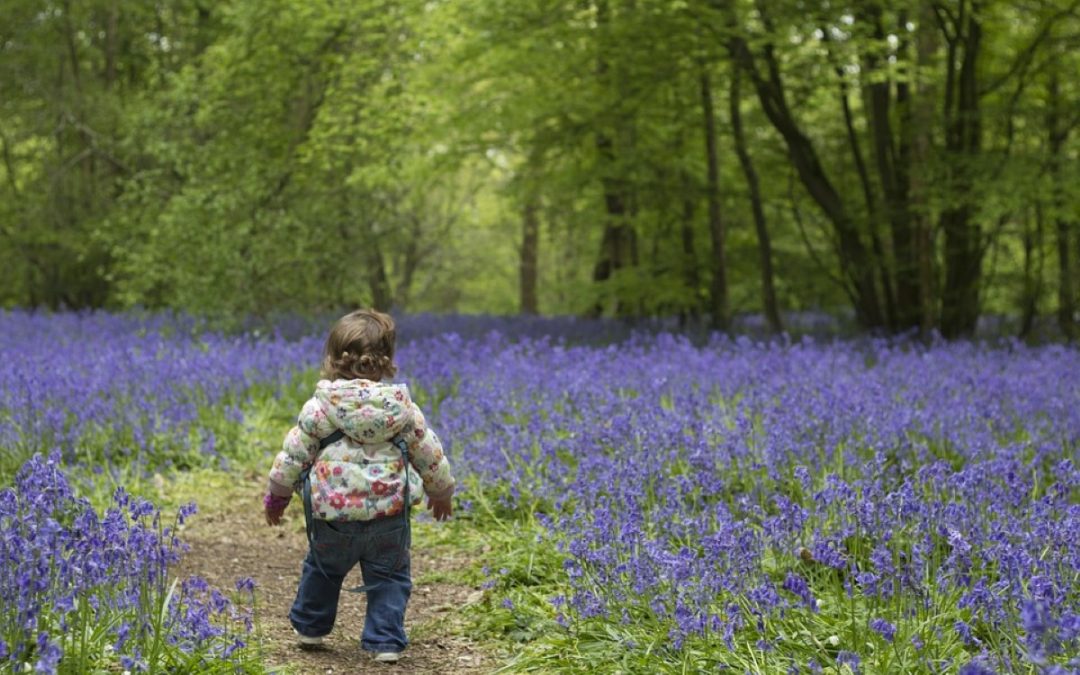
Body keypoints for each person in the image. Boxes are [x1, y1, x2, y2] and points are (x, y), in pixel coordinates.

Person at [263, 309, 455, 663]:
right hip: (389, 517)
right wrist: (440, 492)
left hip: (333, 516)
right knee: (391, 576)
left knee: (322, 568)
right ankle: (385, 641)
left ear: (333, 359)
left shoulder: (320, 409)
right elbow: (429, 452)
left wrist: (278, 495)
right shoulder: (403, 410)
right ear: (387, 362)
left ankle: (311, 627)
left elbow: (293, 455)